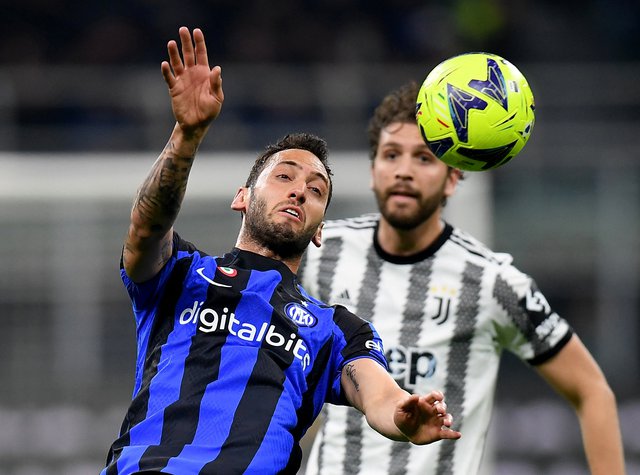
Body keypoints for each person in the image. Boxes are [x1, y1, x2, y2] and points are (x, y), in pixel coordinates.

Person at [101, 28, 461, 475]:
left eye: (316, 190)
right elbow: (147, 225)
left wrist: (403, 415)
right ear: (243, 197)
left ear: (318, 231)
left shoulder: (336, 329)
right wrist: (188, 133)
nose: (299, 193)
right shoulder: (181, 275)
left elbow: (377, 392)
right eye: (284, 177)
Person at [299, 82, 626, 475]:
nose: (403, 170)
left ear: (452, 179)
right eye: (391, 155)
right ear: (372, 171)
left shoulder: (494, 282)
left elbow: (592, 391)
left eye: (423, 158)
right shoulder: (320, 250)